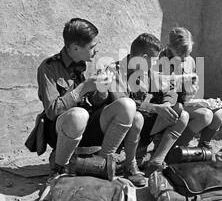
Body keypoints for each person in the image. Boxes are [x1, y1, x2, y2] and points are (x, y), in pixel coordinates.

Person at [36, 18, 145, 186]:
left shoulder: (83, 64)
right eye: (92, 47)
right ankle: (59, 169)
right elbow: (52, 110)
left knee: (127, 106)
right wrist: (84, 87)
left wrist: (101, 91)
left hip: (86, 125)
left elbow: (91, 104)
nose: (96, 50)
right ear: (75, 48)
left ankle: (100, 165)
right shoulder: (48, 67)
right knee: (78, 115)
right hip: (61, 129)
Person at [106, 33, 189, 176]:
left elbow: (170, 88)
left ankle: (155, 162)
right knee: (135, 115)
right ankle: (129, 165)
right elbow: (121, 102)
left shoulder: (148, 72)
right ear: (144, 59)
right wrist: (155, 108)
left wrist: (166, 104)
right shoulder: (115, 70)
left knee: (182, 114)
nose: (156, 63)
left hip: (141, 125)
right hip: (118, 129)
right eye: (154, 60)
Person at [159, 27, 222, 149]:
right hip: (169, 103)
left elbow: (191, 93)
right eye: (180, 54)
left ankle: (203, 149)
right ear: (169, 47)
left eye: (188, 53)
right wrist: (184, 79)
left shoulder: (190, 61)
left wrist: (202, 101)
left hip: (185, 101)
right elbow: (161, 86)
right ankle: (177, 148)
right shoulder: (161, 60)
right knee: (205, 116)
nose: (185, 58)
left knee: (219, 114)